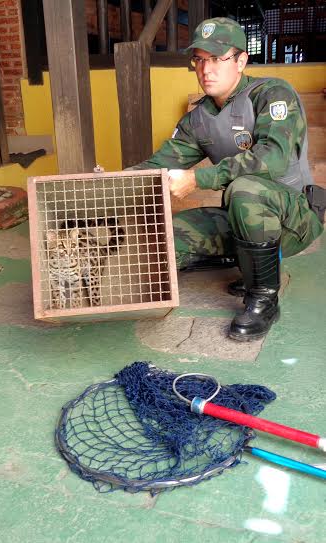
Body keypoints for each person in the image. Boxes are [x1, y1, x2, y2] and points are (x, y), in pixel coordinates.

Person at [130, 17, 324, 342]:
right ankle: (246, 263)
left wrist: (198, 178)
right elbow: (157, 167)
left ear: (241, 61)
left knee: (243, 189)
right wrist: (102, 186)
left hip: (294, 218)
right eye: (200, 59)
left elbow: (272, 159)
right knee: (167, 239)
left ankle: (263, 297)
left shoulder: (271, 95)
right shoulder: (198, 120)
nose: (207, 69)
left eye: (218, 58)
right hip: (241, 216)